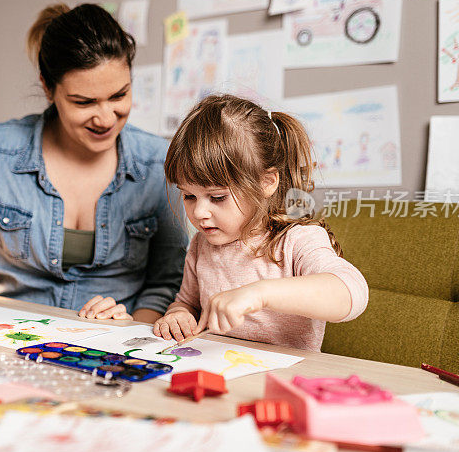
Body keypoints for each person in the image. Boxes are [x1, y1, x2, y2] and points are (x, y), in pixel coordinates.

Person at [0, 3, 188, 323]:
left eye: (119, 96)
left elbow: (167, 282)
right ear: (47, 88)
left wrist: (129, 331)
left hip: (114, 349)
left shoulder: (158, 162)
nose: (106, 118)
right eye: (84, 102)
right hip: (11, 340)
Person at [152, 95, 368, 351]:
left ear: (266, 182)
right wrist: (179, 315)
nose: (199, 212)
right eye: (189, 195)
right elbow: (186, 303)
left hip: (284, 380)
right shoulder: (202, 244)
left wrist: (260, 294)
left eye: (217, 197)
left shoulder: (298, 239)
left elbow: (352, 292)